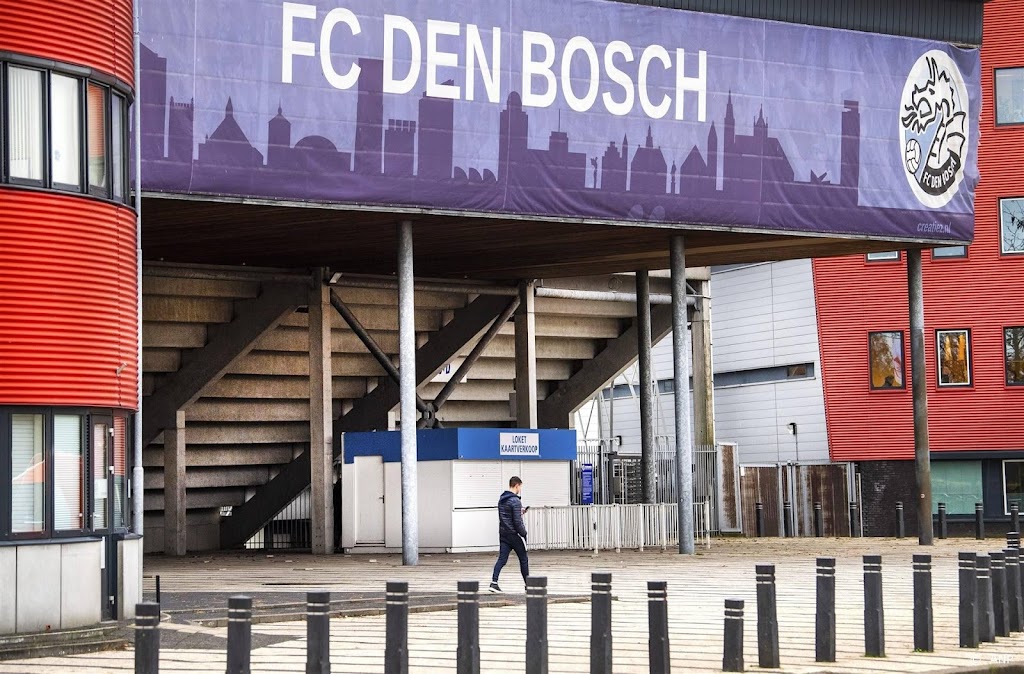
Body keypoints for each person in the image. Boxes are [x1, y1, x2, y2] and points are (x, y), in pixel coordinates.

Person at [490, 476, 529, 593]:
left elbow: (506, 516)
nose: (520, 490)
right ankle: (528, 585)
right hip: (515, 535)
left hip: (503, 534)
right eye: (520, 487)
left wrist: (519, 511)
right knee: (523, 559)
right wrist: (524, 533)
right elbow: (517, 522)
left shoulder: (501, 500)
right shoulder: (516, 501)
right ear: (516, 485)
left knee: (502, 559)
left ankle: (494, 583)